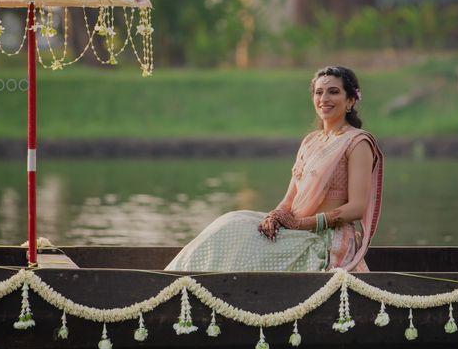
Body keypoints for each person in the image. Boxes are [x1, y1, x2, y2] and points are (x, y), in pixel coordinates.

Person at [164, 66, 383, 273]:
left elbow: (356, 208)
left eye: (333, 92)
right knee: (230, 223)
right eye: (319, 92)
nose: (324, 99)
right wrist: (274, 217)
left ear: (350, 100)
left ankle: (188, 289)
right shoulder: (311, 141)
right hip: (294, 228)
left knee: (241, 237)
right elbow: (289, 200)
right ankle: (177, 283)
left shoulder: (357, 142)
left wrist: (302, 223)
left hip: (325, 239)